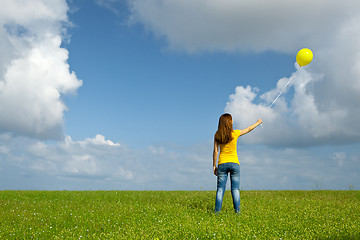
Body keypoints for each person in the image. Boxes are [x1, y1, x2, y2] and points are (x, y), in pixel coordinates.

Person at [213, 113, 262, 213]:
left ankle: (217, 212)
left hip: (222, 163)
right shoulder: (235, 133)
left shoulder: (217, 134)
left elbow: (216, 151)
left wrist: (214, 165)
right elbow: (248, 129)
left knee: (220, 190)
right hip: (235, 164)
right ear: (230, 122)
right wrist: (258, 123)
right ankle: (237, 212)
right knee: (235, 189)